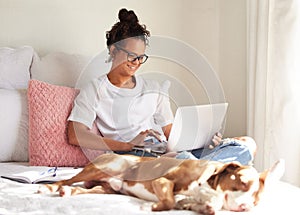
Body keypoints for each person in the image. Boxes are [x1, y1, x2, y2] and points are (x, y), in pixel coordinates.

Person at [67, 8, 256, 165]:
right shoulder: (95, 89)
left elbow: (171, 134)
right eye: (132, 55)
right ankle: (211, 168)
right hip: (137, 157)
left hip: (166, 152)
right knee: (180, 159)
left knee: (247, 144)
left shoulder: (154, 88)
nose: (137, 62)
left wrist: (206, 141)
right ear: (113, 50)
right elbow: (76, 135)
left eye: (141, 57)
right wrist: (126, 145)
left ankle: (202, 167)